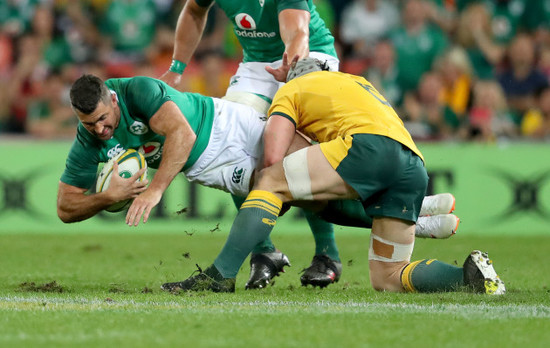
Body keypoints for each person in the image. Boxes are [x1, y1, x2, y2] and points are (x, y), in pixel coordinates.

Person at [57, 74, 458, 283]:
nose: (101, 131)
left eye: (104, 121)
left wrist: (156, 189)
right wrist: (106, 197)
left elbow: (183, 134)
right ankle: (414, 216)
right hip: (211, 167)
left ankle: (326, 252)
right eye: (90, 125)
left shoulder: (136, 91)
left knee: (296, 179)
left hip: (227, 128)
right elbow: (65, 207)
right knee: (311, 197)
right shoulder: (88, 136)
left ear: (111, 99)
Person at [161, 58, 505, 295]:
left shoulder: (294, 90)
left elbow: (272, 155)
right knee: (388, 277)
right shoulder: (356, 83)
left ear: (295, 74)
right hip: (412, 163)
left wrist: (269, 198)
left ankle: (219, 276)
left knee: (270, 181)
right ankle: (469, 277)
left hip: (366, 149)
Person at [159, 0, 344, 289]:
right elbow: (195, 10)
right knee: (232, 146)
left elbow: (298, 32)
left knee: (303, 152)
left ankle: (327, 254)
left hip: (309, 56)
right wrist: (176, 67)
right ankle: (264, 250)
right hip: (257, 66)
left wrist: (291, 80)